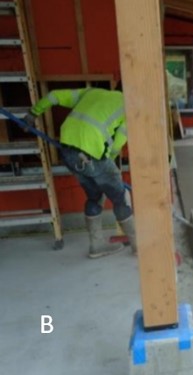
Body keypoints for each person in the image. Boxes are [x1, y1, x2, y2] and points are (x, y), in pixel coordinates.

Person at [24, 85, 137, 259]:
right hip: (92, 153)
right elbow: (119, 141)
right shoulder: (128, 105)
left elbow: (54, 95)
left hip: (68, 151)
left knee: (94, 197)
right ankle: (138, 246)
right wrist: (109, 161)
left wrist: (33, 113)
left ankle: (96, 245)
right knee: (120, 198)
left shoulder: (91, 92)